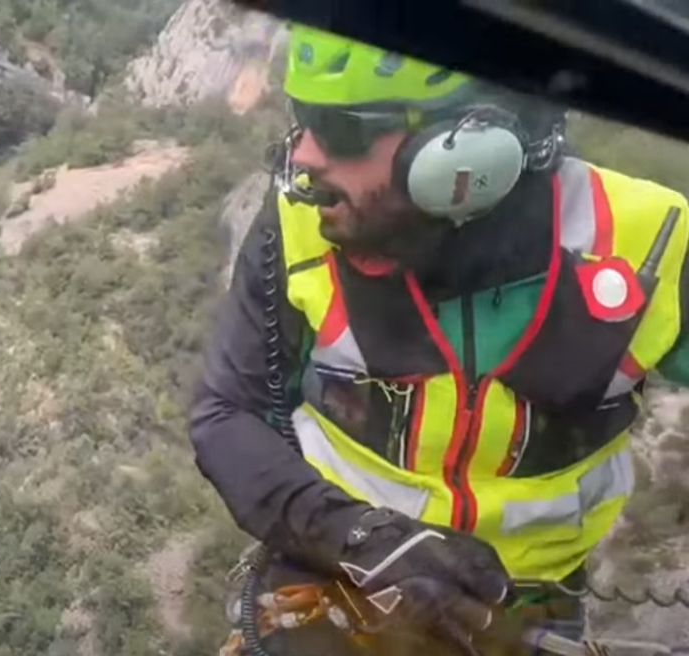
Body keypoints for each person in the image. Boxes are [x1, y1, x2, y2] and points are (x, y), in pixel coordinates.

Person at [189, 22, 689, 655]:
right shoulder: (301, 224)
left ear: (469, 154)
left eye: (345, 131)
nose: (308, 158)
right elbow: (224, 413)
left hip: (520, 608)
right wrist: (363, 537)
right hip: (338, 576)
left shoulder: (651, 242)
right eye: (303, 119)